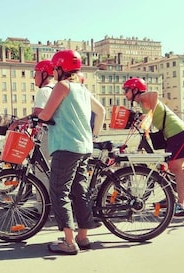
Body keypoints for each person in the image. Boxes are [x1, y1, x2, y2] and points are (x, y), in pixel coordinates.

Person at [38, 49, 105, 255]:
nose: (53, 73)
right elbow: (101, 111)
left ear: (60, 69)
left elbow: (45, 114)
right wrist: (92, 136)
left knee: (59, 192)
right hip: (84, 147)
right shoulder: (82, 88)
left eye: (54, 69)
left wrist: (39, 116)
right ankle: (82, 237)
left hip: (66, 147)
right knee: (80, 192)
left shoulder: (62, 86)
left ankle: (68, 242)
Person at [123, 77, 184, 217]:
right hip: (171, 135)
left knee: (175, 167)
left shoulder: (144, 97)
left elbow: (154, 93)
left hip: (178, 133)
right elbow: (149, 117)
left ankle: (181, 205)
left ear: (135, 89)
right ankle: (172, 197)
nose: (125, 94)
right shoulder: (142, 104)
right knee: (169, 166)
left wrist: (150, 113)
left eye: (127, 90)